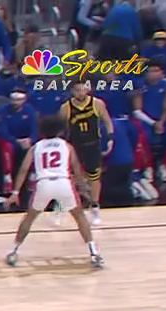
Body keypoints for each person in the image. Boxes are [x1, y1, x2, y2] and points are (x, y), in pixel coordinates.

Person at [5, 115, 101, 268]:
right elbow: (77, 169)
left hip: (43, 184)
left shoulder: (36, 147)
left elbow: (23, 169)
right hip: (63, 183)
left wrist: (15, 192)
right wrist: (83, 188)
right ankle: (94, 253)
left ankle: (13, 251)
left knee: (29, 218)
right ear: (60, 130)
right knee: (80, 217)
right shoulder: (66, 146)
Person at [59, 80, 113, 226]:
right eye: (77, 90)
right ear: (72, 91)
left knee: (94, 177)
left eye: (83, 89)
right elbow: (60, 128)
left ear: (87, 89)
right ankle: (62, 207)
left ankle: (94, 207)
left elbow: (107, 121)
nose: (81, 93)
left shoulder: (97, 103)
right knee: (68, 179)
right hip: (74, 147)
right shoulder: (66, 107)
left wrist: (110, 138)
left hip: (92, 145)